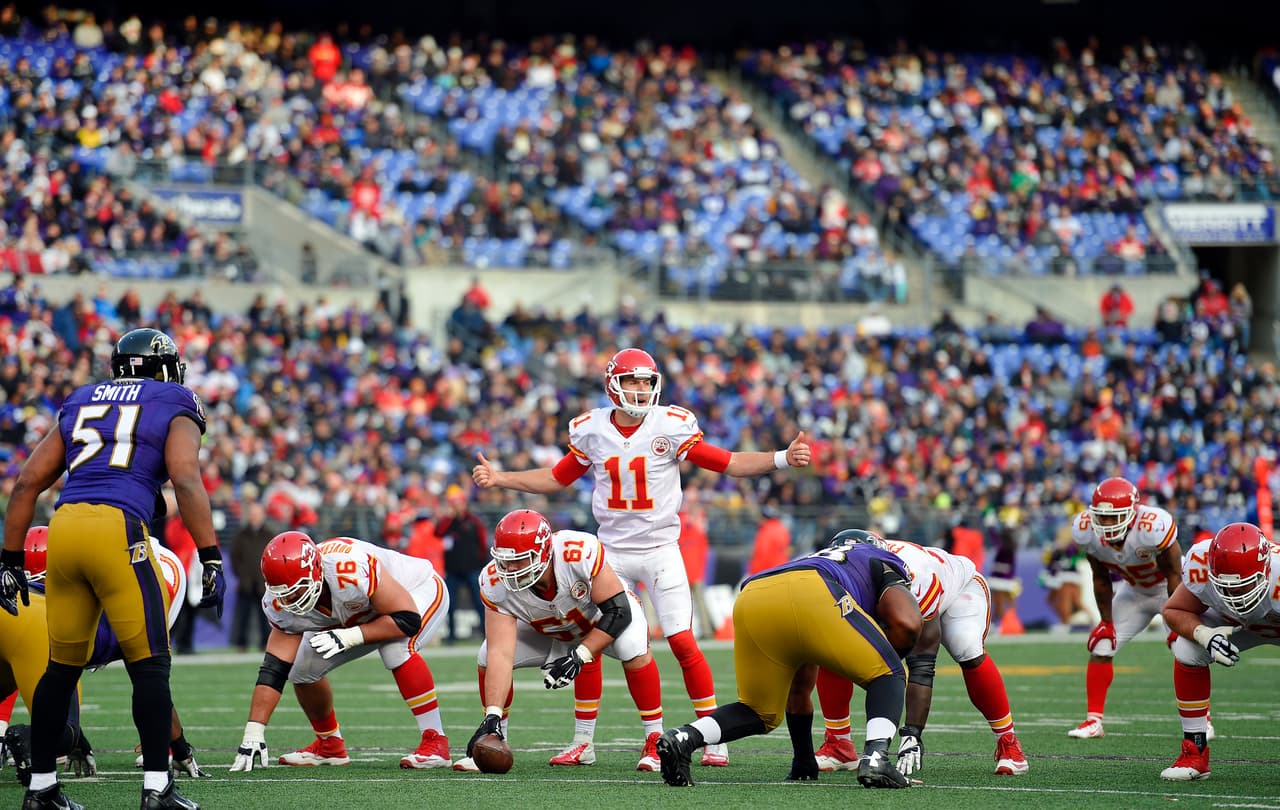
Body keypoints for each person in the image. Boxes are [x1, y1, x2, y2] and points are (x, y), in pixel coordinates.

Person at [473, 347, 812, 766]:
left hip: (659, 549)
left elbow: (727, 462)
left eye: (646, 381)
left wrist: (781, 458)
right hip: (610, 552)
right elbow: (557, 477)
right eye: (632, 380)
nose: (640, 388)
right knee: (589, 638)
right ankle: (584, 741)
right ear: (613, 383)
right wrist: (501, 477)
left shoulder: (670, 424)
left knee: (682, 641)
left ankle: (713, 734)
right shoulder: (591, 429)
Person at [0, 327, 225, 810]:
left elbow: (26, 485)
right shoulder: (175, 398)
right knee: (150, 666)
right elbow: (185, 476)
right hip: (116, 530)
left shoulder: (81, 398)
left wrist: (10, 560)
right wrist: (210, 555)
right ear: (162, 368)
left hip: (63, 527)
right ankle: (157, 788)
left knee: (60, 669)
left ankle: (41, 791)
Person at [656, 529, 921, 789]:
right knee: (889, 674)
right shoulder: (878, 556)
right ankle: (876, 759)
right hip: (815, 590)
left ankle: (683, 738)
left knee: (758, 710)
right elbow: (907, 624)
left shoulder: (818, 556)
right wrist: (892, 659)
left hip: (754, 593)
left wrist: (804, 760)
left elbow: (800, 685)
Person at [455, 509, 665, 773]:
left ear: (543, 552)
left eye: (520, 561)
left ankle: (655, 739)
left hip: (602, 618)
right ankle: (495, 739)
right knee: (487, 656)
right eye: (505, 561)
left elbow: (618, 612)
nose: (509, 569)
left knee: (631, 646)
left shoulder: (577, 553)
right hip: (553, 630)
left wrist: (581, 656)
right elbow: (500, 653)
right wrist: (492, 715)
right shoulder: (495, 581)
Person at [229, 531, 451, 774]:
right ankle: (329, 745)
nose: (291, 599)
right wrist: (254, 730)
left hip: (415, 591)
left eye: (297, 589)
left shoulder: (348, 568)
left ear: (316, 570)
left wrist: (350, 636)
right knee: (301, 667)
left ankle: (435, 741)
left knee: (395, 647)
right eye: (284, 593)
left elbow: (407, 619)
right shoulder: (279, 603)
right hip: (363, 614)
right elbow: (274, 668)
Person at [812, 534, 1029, 776]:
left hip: (958, 588)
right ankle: (839, 744)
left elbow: (923, 663)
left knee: (965, 646)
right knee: (834, 651)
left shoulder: (915, 575)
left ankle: (1009, 743)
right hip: (892, 595)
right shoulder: (834, 572)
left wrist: (913, 732)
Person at [1066, 477, 1188, 739]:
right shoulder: (1087, 530)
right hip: (1134, 592)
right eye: (1102, 517)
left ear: (1133, 513)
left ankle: (1204, 720)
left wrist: (1178, 619)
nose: (1107, 524)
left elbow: (1174, 574)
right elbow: (1100, 577)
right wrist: (1106, 622)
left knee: (1187, 650)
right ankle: (1093, 721)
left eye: (1114, 517)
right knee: (1102, 646)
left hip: (1172, 590)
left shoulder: (1153, 525)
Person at [1160, 522, 1277, 781]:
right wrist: (1206, 634)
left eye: (1243, 585)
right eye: (1224, 586)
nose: (1234, 594)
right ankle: (1195, 754)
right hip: (1239, 625)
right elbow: (1173, 610)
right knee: (1188, 648)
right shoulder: (1200, 563)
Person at [435, 485, 488, 643]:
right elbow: (437, 532)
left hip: (472, 569)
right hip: (453, 570)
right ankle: (451, 636)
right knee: (450, 604)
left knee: (479, 603)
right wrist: (448, 517)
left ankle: (486, 634)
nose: (457, 506)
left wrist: (481, 565)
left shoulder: (474, 521)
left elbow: (482, 543)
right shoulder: (448, 522)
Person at [228, 502, 276, 652]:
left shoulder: (270, 534)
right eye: (252, 514)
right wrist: (242, 575)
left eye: (257, 514)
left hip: (264, 584)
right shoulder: (240, 534)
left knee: (266, 617)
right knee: (243, 616)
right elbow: (234, 557)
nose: (255, 517)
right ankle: (241, 644)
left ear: (263, 515)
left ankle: (265, 644)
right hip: (246, 583)